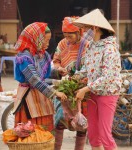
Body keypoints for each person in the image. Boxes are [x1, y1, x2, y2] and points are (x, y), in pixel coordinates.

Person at [73, 9, 122, 150]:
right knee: (93, 134)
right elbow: (87, 69)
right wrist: (72, 78)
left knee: (105, 134)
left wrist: (85, 89)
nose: (84, 33)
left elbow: (108, 76)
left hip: (108, 93)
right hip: (93, 93)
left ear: (95, 28)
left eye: (87, 29)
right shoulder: (90, 46)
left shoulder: (110, 48)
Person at [13, 22, 67, 132]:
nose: (48, 43)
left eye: (48, 40)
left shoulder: (43, 55)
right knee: (29, 132)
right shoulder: (24, 57)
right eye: (45, 40)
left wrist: (57, 72)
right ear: (35, 39)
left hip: (42, 97)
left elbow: (43, 76)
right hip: (28, 98)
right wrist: (55, 93)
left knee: (44, 133)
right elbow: (34, 79)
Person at [52, 17, 88, 150]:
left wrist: (80, 79)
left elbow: (90, 68)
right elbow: (56, 60)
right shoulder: (62, 44)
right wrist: (58, 68)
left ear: (79, 32)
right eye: (65, 35)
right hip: (65, 87)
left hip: (82, 89)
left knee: (81, 123)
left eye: (70, 35)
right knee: (60, 120)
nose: (67, 38)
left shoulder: (87, 45)